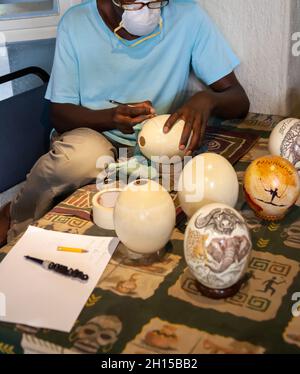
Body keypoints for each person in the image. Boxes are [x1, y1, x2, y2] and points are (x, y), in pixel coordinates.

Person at [0, 0, 249, 246]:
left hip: (156, 143)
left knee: (202, 191)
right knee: (80, 158)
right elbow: (59, 113)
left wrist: (207, 100)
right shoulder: (76, 24)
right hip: (94, 131)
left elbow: (239, 100)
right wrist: (110, 118)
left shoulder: (188, 17)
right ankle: (15, 215)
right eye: (133, 3)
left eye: (155, 2)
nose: (147, 9)